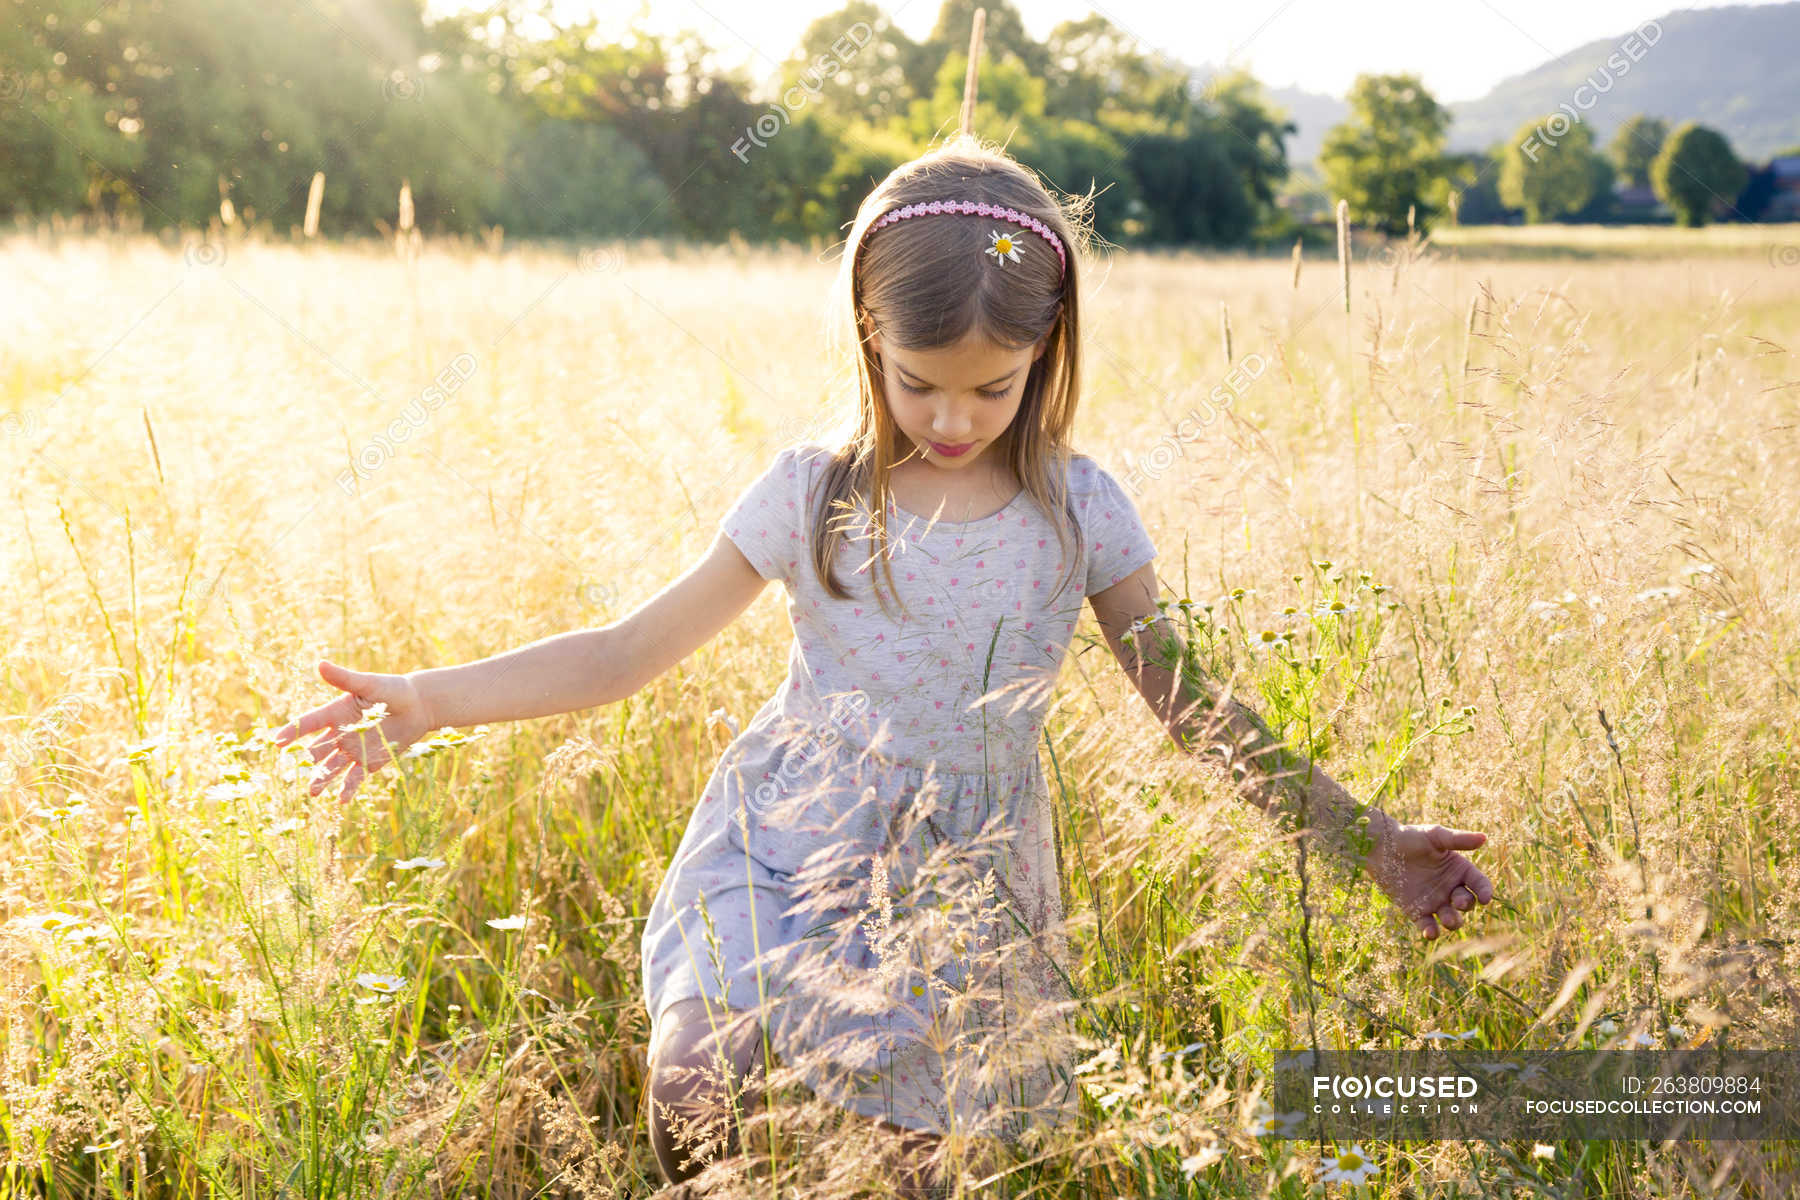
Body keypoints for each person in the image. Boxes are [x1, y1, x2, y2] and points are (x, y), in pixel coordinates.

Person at [272, 132, 1495, 1196]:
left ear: (1047, 352)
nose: (954, 420)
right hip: (789, 833)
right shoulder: (814, 495)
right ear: (868, 339)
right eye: (918, 385)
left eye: (992, 389)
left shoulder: (1083, 514)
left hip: (962, 880)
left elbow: (1194, 708)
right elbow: (627, 648)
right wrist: (431, 701)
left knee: (909, 1174)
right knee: (695, 1073)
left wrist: (1363, 839)